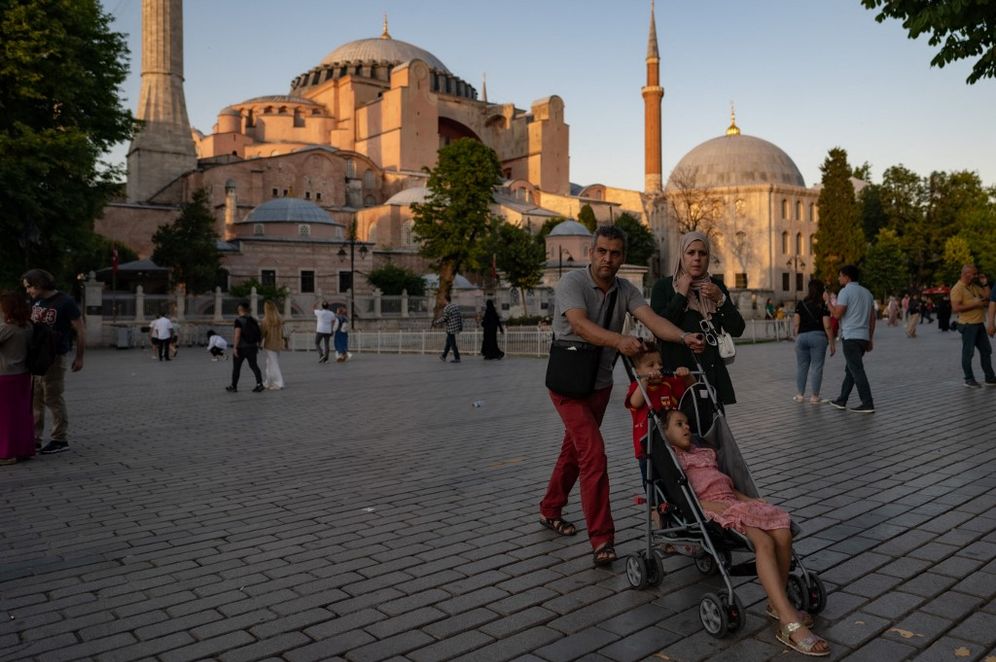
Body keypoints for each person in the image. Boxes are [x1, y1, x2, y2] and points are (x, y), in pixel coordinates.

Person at [539, 226, 705, 568]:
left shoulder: (625, 289)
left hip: (598, 386)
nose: (607, 259)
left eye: (615, 253)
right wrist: (618, 341)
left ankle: (550, 509)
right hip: (567, 386)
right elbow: (580, 325)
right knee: (594, 455)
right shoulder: (573, 283)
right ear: (591, 253)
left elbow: (653, 321)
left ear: (622, 257)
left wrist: (683, 336)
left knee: (575, 450)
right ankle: (602, 539)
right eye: (601, 251)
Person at [662, 409, 829, 657]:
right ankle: (789, 622)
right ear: (665, 433)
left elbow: (726, 486)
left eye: (687, 423)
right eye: (679, 424)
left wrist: (751, 501)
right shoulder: (675, 462)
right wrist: (708, 506)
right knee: (762, 541)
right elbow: (684, 500)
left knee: (782, 531)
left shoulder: (705, 453)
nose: (687, 427)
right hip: (712, 509)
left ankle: (777, 602)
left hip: (734, 503)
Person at [650, 231, 746, 406]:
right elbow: (659, 327)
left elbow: (737, 329)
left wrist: (721, 300)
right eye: (691, 252)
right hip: (679, 377)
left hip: (711, 377)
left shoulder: (715, 287)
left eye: (702, 253)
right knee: (683, 430)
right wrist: (680, 295)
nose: (697, 258)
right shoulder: (663, 287)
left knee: (713, 429)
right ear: (681, 255)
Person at [22, 268, 85, 455]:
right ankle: (35, 438)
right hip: (37, 356)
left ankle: (59, 438)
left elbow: (80, 330)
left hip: (55, 356)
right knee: (35, 399)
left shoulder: (66, 302)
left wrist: (80, 357)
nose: (28, 291)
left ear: (39, 284)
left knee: (52, 397)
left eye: (29, 287)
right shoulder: (37, 301)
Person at [624, 346, 693, 483]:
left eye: (660, 364)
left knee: (677, 482)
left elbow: (691, 390)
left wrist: (687, 376)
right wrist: (643, 380)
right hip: (648, 450)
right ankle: (656, 503)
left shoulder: (668, 384)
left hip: (674, 446)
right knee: (654, 482)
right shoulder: (636, 387)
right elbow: (636, 402)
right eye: (651, 365)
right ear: (637, 371)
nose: (658, 368)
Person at [829, 265, 876, 413]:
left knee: (856, 370)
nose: (838, 278)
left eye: (840, 275)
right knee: (851, 368)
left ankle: (867, 402)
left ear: (847, 277)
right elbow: (872, 318)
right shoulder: (867, 293)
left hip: (851, 336)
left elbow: (837, 314)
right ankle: (842, 399)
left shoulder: (845, 291)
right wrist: (870, 338)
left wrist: (827, 302)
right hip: (863, 337)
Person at [0, 291, 35, 465]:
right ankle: (24, 449)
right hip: (23, 374)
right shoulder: (28, 326)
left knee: (5, 417)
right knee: (22, 414)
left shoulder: (7, 329)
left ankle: (7, 454)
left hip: (5, 376)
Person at [950, 264, 995, 388]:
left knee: (986, 351)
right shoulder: (957, 288)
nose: (976, 276)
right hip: (968, 325)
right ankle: (969, 379)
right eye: (974, 274)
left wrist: (985, 283)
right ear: (966, 274)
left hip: (979, 323)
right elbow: (955, 308)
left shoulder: (974, 286)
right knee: (968, 353)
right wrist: (976, 304)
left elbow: (988, 297)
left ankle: (990, 378)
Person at [792, 280, 835, 405]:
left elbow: (796, 323)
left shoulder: (801, 304)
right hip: (818, 338)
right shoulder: (823, 305)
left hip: (801, 338)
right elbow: (827, 325)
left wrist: (797, 336)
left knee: (802, 367)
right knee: (816, 367)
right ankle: (815, 397)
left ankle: (800, 395)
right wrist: (832, 343)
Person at [227, 301, 264, 393]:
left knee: (236, 367)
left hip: (241, 348)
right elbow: (259, 333)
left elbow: (237, 335)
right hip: (252, 347)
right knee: (254, 366)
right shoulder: (253, 320)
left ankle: (233, 386)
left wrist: (235, 347)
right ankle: (259, 384)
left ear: (240, 309)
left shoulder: (238, 320)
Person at [261, 300, 285, 390]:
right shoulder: (279, 319)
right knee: (269, 363)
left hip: (270, 344)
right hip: (278, 343)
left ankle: (279, 383)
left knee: (273, 363)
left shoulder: (265, 320)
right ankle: (268, 382)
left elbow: (262, 333)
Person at [435, 294, 463, 363]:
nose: (442, 301)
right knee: (448, 342)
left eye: (443, 300)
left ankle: (457, 358)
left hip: (450, 328)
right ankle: (443, 356)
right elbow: (460, 316)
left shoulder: (447, 308)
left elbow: (445, 318)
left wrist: (436, 322)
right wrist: (460, 326)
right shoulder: (455, 306)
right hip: (456, 326)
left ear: (445, 299)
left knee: (453, 344)